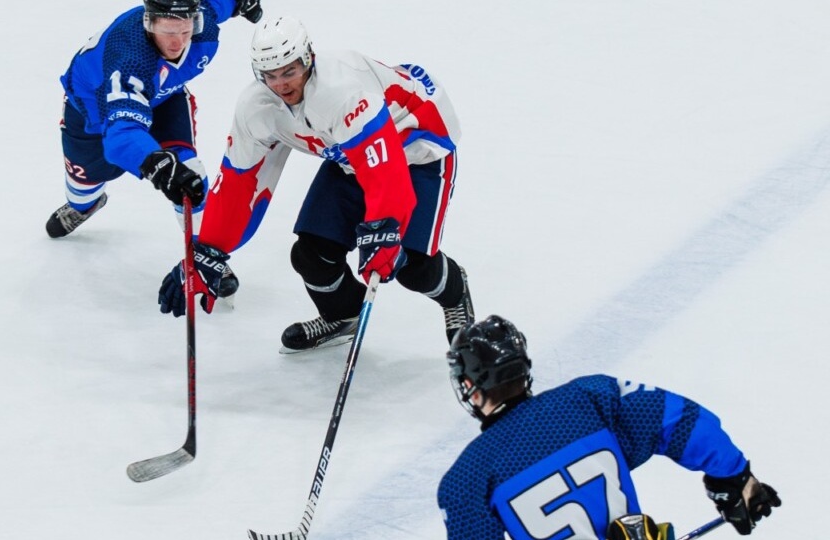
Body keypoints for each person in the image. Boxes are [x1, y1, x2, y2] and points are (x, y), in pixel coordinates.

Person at [156, 16, 476, 352]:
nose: (282, 84)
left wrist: (386, 225)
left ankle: (455, 293)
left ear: (308, 58)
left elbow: (386, 172)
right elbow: (239, 187)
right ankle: (343, 315)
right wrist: (209, 251)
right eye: (271, 75)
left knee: (412, 263)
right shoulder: (257, 108)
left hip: (418, 148)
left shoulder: (341, 91)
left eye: (290, 71)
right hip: (350, 154)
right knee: (311, 255)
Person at [437, 315, 782, 540]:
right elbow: (680, 420)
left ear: (471, 386)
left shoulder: (466, 478)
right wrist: (735, 479)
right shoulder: (590, 398)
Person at [46, 0, 261, 301]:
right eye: (168, 31)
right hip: (95, 112)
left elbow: (216, 5)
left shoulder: (203, 23)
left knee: (190, 177)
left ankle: (206, 257)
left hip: (165, 99)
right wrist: (155, 162)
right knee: (83, 187)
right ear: (149, 22)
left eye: (186, 31)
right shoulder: (130, 58)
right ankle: (84, 206)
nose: (178, 42)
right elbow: (121, 137)